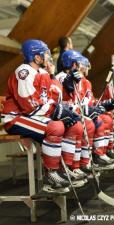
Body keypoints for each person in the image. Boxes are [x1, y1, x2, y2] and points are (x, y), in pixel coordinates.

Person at [1, 39, 85, 193]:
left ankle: (65, 170)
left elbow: (53, 98)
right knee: (55, 127)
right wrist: (56, 111)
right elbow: (30, 105)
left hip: (33, 114)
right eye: (45, 53)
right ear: (36, 57)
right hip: (15, 117)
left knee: (75, 126)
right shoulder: (24, 72)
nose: (48, 56)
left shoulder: (43, 73)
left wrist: (64, 104)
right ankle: (51, 176)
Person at [56, 50, 114, 170]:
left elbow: (88, 101)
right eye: (80, 63)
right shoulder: (62, 77)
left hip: (76, 112)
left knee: (105, 120)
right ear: (73, 64)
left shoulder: (82, 81)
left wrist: (106, 105)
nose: (83, 67)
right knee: (90, 124)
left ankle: (98, 155)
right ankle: (80, 163)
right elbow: (66, 100)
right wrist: (84, 110)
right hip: (66, 115)